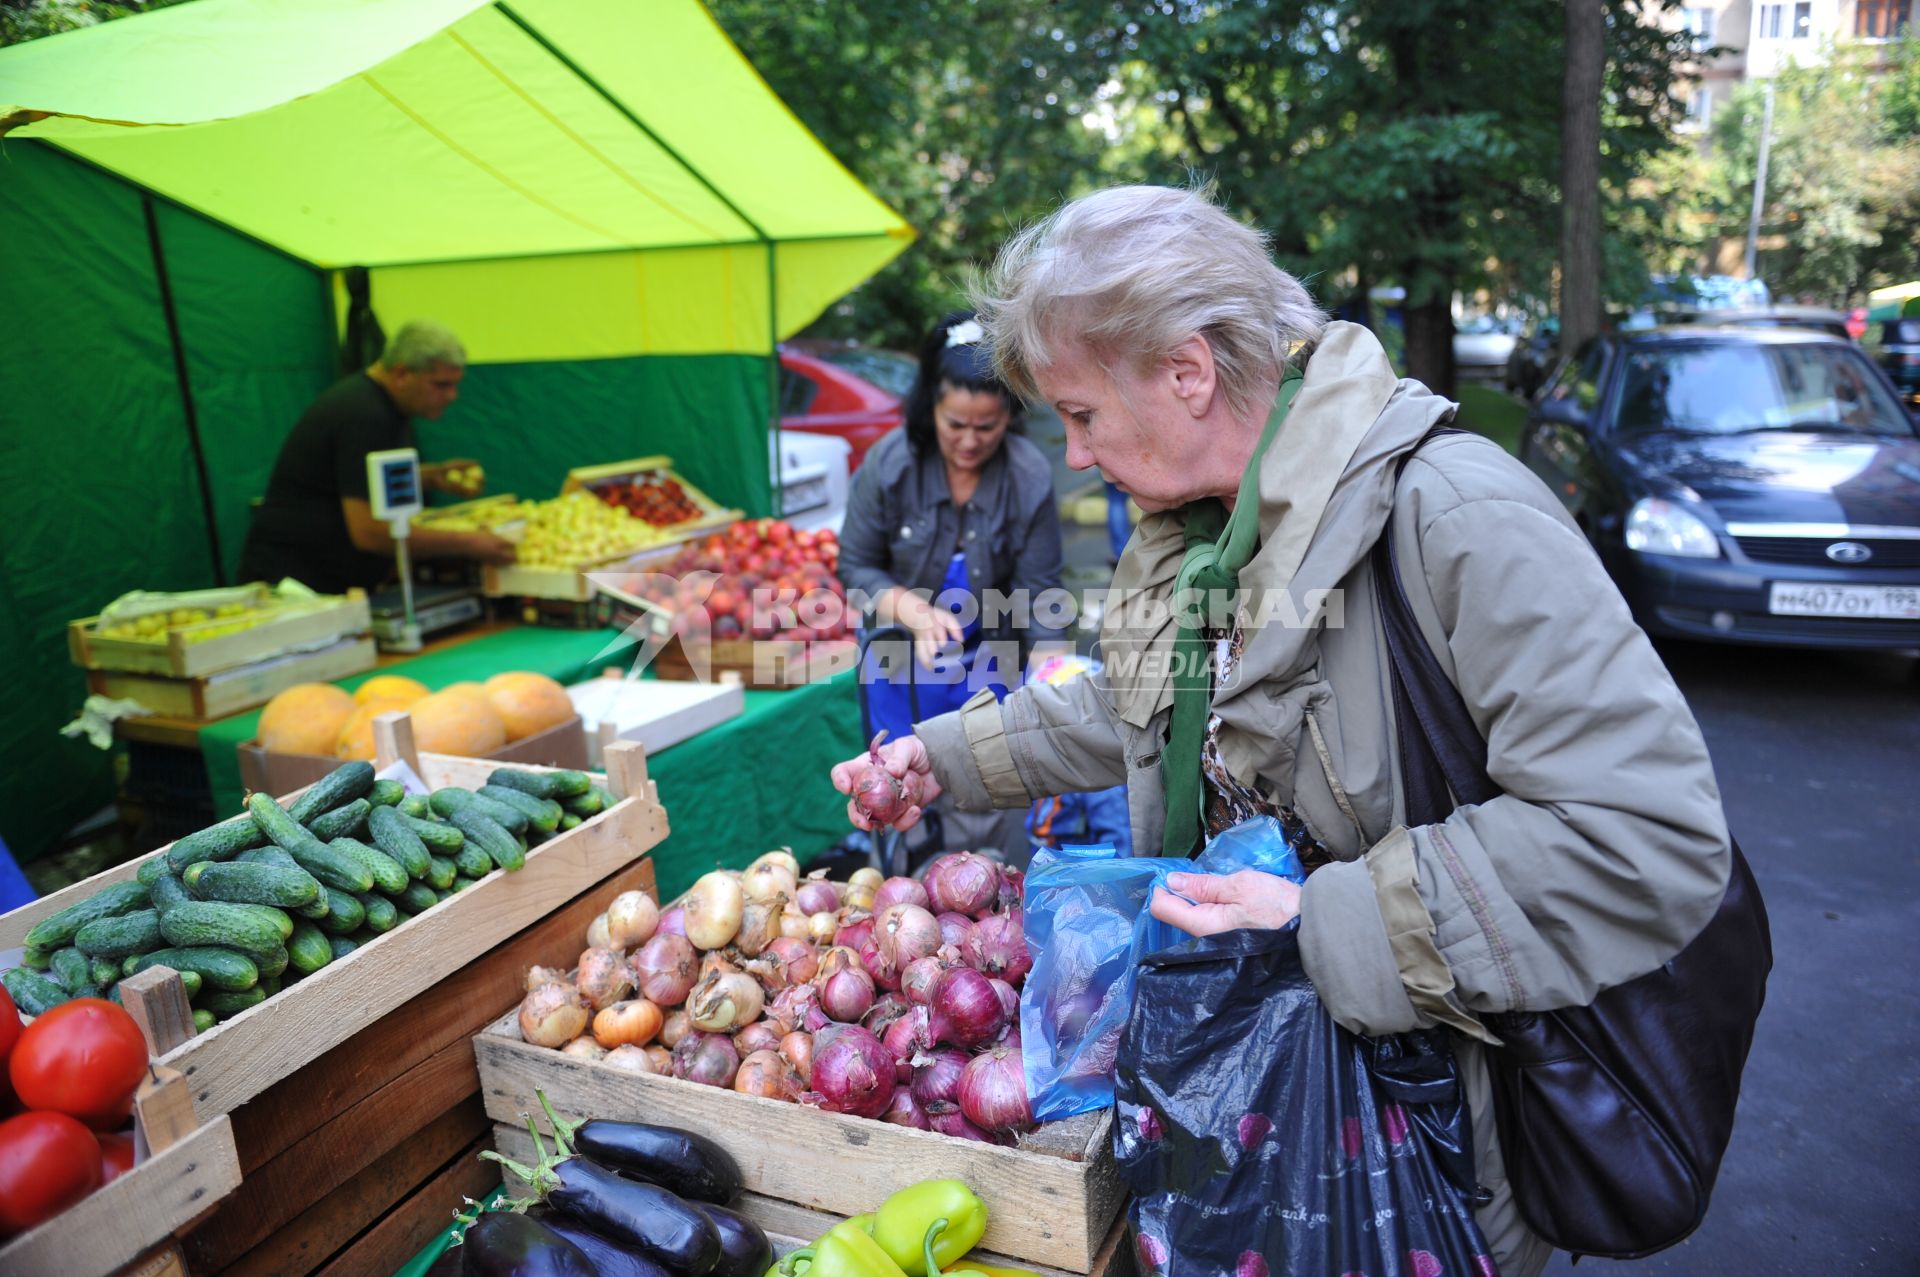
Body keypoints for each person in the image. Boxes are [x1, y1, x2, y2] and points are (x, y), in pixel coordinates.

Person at [830, 187, 1732, 1276]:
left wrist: (1320, 916)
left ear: (1186, 371)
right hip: (1253, 1101)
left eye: (1081, 414)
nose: (1072, 455)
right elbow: (1145, 698)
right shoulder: (1207, 532)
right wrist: (950, 754)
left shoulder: (1455, 514)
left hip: (1423, 1140)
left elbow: (1645, 835)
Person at [836, 310, 1068, 861]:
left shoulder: (1028, 475)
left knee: (982, 805)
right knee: (899, 798)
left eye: (985, 427)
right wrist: (910, 609)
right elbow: (856, 568)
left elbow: (1041, 594)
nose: (969, 441)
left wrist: (1054, 677)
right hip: (899, 667)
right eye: (954, 424)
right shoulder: (890, 464)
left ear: (1009, 415)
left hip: (988, 666)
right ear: (931, 408)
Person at [238, 320, 516, 593]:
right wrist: (468, 543)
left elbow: (354, 479)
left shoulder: (380, 404)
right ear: (402, 374)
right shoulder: (365, 415)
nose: (452, 396)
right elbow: (369, 533)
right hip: (294, 589)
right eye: (441, 385)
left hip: (321, 583)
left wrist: (430, 477)